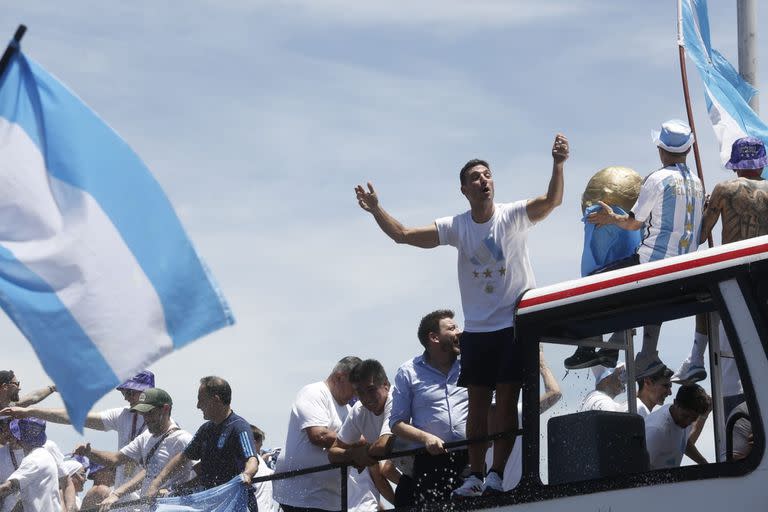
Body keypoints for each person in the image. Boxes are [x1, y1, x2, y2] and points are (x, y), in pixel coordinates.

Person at [356, 134, 569, 496]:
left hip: (513, 325)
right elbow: (404, 235)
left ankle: (497, 474)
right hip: (479, 332)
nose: (484, 181)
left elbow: (551, 201)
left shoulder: (512, 215)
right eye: (475, 177)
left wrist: (558, 164)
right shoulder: (458, 226)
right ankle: (475, 474)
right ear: (463, 189)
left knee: (504, 404)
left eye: (488, 175)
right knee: (476, 408)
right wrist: (377, 209)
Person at [566, 120, 705, 376]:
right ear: (686, 150)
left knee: (595, 282)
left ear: (661, 150)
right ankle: (633, 350)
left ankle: (589, 346)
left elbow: (632, 223)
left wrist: (610, 218)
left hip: (652, 265)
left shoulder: (658, 178)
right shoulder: (697, 183)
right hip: (683, 271)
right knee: (650, 295)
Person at [673, 136, 768, 394]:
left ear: (735, 165)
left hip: (733, 276)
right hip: (764, 274)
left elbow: (702, 234)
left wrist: (705, 208)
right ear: (761, 164)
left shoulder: (724, 190)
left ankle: (696, 357)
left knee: (730, 357)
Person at [2, 370, 156, 503]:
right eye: (124, 393)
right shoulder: (123, 415)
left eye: (129, 392)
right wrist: (31, 412)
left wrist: (117, 493)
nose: (125, 398)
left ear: (146, 392)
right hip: (121, 502)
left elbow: (150, 470)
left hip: (146, 500)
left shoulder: (162, 427)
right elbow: (73, 417)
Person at [385, 310, 467, 506]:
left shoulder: (469, 364)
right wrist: (426, 438)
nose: (460, 331)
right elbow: (396, 423)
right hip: (431, 463)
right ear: (434, 337)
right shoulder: (409, 371)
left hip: (472, 461)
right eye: (452, 328)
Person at [146, 377, 258, 511]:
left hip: (238, 502)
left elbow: (252, 460)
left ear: (215, 400)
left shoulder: (239, 426)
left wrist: (247, 475)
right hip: (211, 502)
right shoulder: (206, 429)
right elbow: (182, 457)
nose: (198, 406)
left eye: (201, 400)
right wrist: (156, 484)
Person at [74, 388, 194, 511]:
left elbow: (201, 476)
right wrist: (89, 452)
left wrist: (171, 492)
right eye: (143, 413)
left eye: (150, 413)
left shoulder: (183, 439)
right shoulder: (145, 437)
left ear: (166, 409)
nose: (146, 418)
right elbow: (114, 459)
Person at [272, 356, 364, 512]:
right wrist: (358, 443)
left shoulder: (348, 410)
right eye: (355, 387)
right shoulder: (314, 392)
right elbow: (318, 435)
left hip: (331, 500)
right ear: (340, 377)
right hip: (302, 497)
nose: (357, 394)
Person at [484, 345, 562, 491]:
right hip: (516, 494)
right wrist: (541, 364)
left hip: (491, 493)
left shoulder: (474, 421)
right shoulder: (516, 414)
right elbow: (555, 393)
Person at [328, 359, 396, 508]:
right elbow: (333, 452)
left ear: (386, 385)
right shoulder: (359, 410)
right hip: (412, 474)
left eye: (371, 390)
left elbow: (383, 445)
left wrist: (363, 453)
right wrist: (352, 455)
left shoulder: (396, 398)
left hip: (432, 462)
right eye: (360, 393)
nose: (366, 398)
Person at [0, 418, 61, 512]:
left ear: (21, 437)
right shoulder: (45, 454)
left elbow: (7, 487)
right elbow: (26, 500)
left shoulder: (33, 460)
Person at [644, 384, 711, 469]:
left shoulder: (681, 418)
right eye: (685, 416)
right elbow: (639, 469)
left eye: (693, 418)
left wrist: (704, 463)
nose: (687, 422)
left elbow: (684, 442)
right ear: (675, 403)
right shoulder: (656, 431)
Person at [250, 425, 280, 512]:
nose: (261, 447)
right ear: (254, 443)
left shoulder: (256, 460)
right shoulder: (255, 459)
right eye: (260, 444)